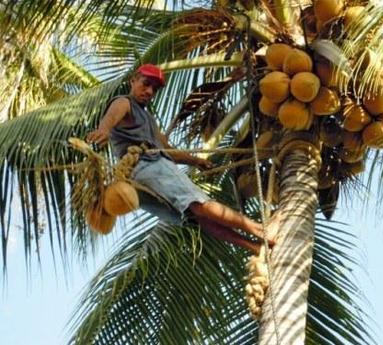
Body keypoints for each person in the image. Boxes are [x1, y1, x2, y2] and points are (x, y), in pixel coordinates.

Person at [87, 63, 274, 253]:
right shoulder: (124, 102)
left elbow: (167, 149)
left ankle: (255, 246)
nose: (149, 91)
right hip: (150, 167)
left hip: (137, 183)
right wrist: (104, 130)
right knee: (198, 204)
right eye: (146, 83)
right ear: (133, 80)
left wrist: (196, 161)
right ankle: (261, 231)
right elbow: (111, 116)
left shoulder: (148, 118)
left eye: (154, 88)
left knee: (197, 216)